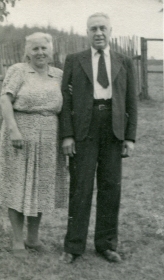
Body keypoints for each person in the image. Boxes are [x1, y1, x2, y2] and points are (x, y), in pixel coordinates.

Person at [60, 13, 137, 263]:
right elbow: (66, 100)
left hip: (113, 129)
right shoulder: (74, 60)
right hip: (84, 127)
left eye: (103, 28)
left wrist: (130, 137)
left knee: (110, 187)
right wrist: (68, 135)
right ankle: (73, 247)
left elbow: (131, 102)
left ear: (110, 30)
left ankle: (106, 244)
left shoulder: (124, 62)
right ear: (87, 33)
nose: (98, 33)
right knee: (80, 187)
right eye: (93, 29)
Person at [0, 32, 67, 256]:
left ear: (51, 50)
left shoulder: (59, 75)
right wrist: (14, 130)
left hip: (49, 138)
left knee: (41, 187)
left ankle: (33, 238)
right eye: (35, 49)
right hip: (20, 137)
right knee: (18, 186)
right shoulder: (18, 71)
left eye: (44, 48)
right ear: (27, 52)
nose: (40, 52)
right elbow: (5, 99)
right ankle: (17, 240)